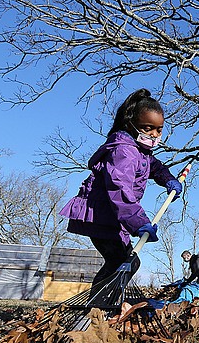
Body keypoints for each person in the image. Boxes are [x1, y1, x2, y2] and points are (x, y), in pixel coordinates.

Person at [60, 89, 183, 287]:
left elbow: (154, 166)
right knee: (120, 261)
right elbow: (119, 189)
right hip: (101, 215)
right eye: (147, 128)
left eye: (159, 129)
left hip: (113, 218)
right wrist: (138, 222)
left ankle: (107, 304)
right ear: (130, 124)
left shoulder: (141, 152)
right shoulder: (124, 151)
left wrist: (168, 179)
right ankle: (99, 306)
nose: (154, 134)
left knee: (126, 262)